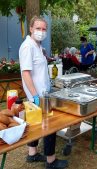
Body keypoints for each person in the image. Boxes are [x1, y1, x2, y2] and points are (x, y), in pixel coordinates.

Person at [19, 16, 68, 169]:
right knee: (49, 126)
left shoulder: (37, 46)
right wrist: (34, 96)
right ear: (31, 29)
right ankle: (51, 161)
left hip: (42, 92)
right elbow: (26, 73)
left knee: (35, 123)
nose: (41, 31)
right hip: (38, 95)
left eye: (44, 29)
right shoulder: (28, 46)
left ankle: (32, 154)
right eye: (38, 28)